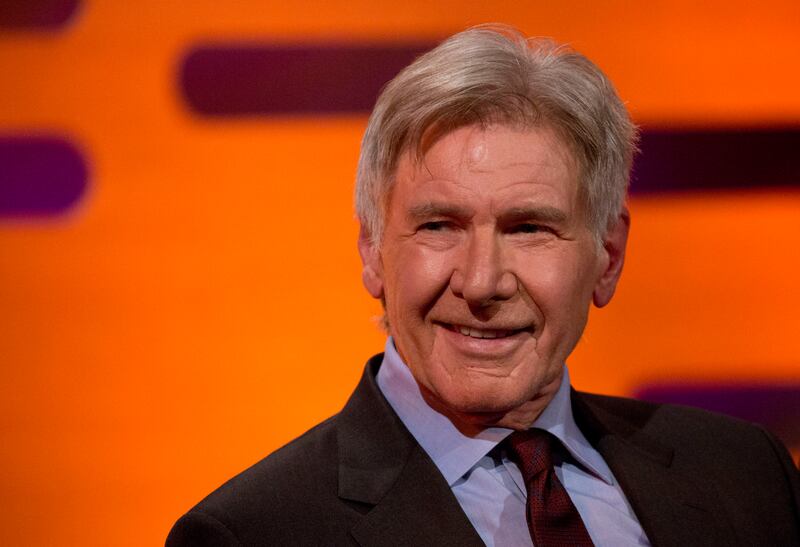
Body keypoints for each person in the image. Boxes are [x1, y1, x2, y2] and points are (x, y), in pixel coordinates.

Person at [167, 25, 800, 546]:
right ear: (372, 251)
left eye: (529, 228)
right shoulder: (253, 533)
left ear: (608, 256)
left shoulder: (747, 475)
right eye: (439, 225)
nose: (480, 283)